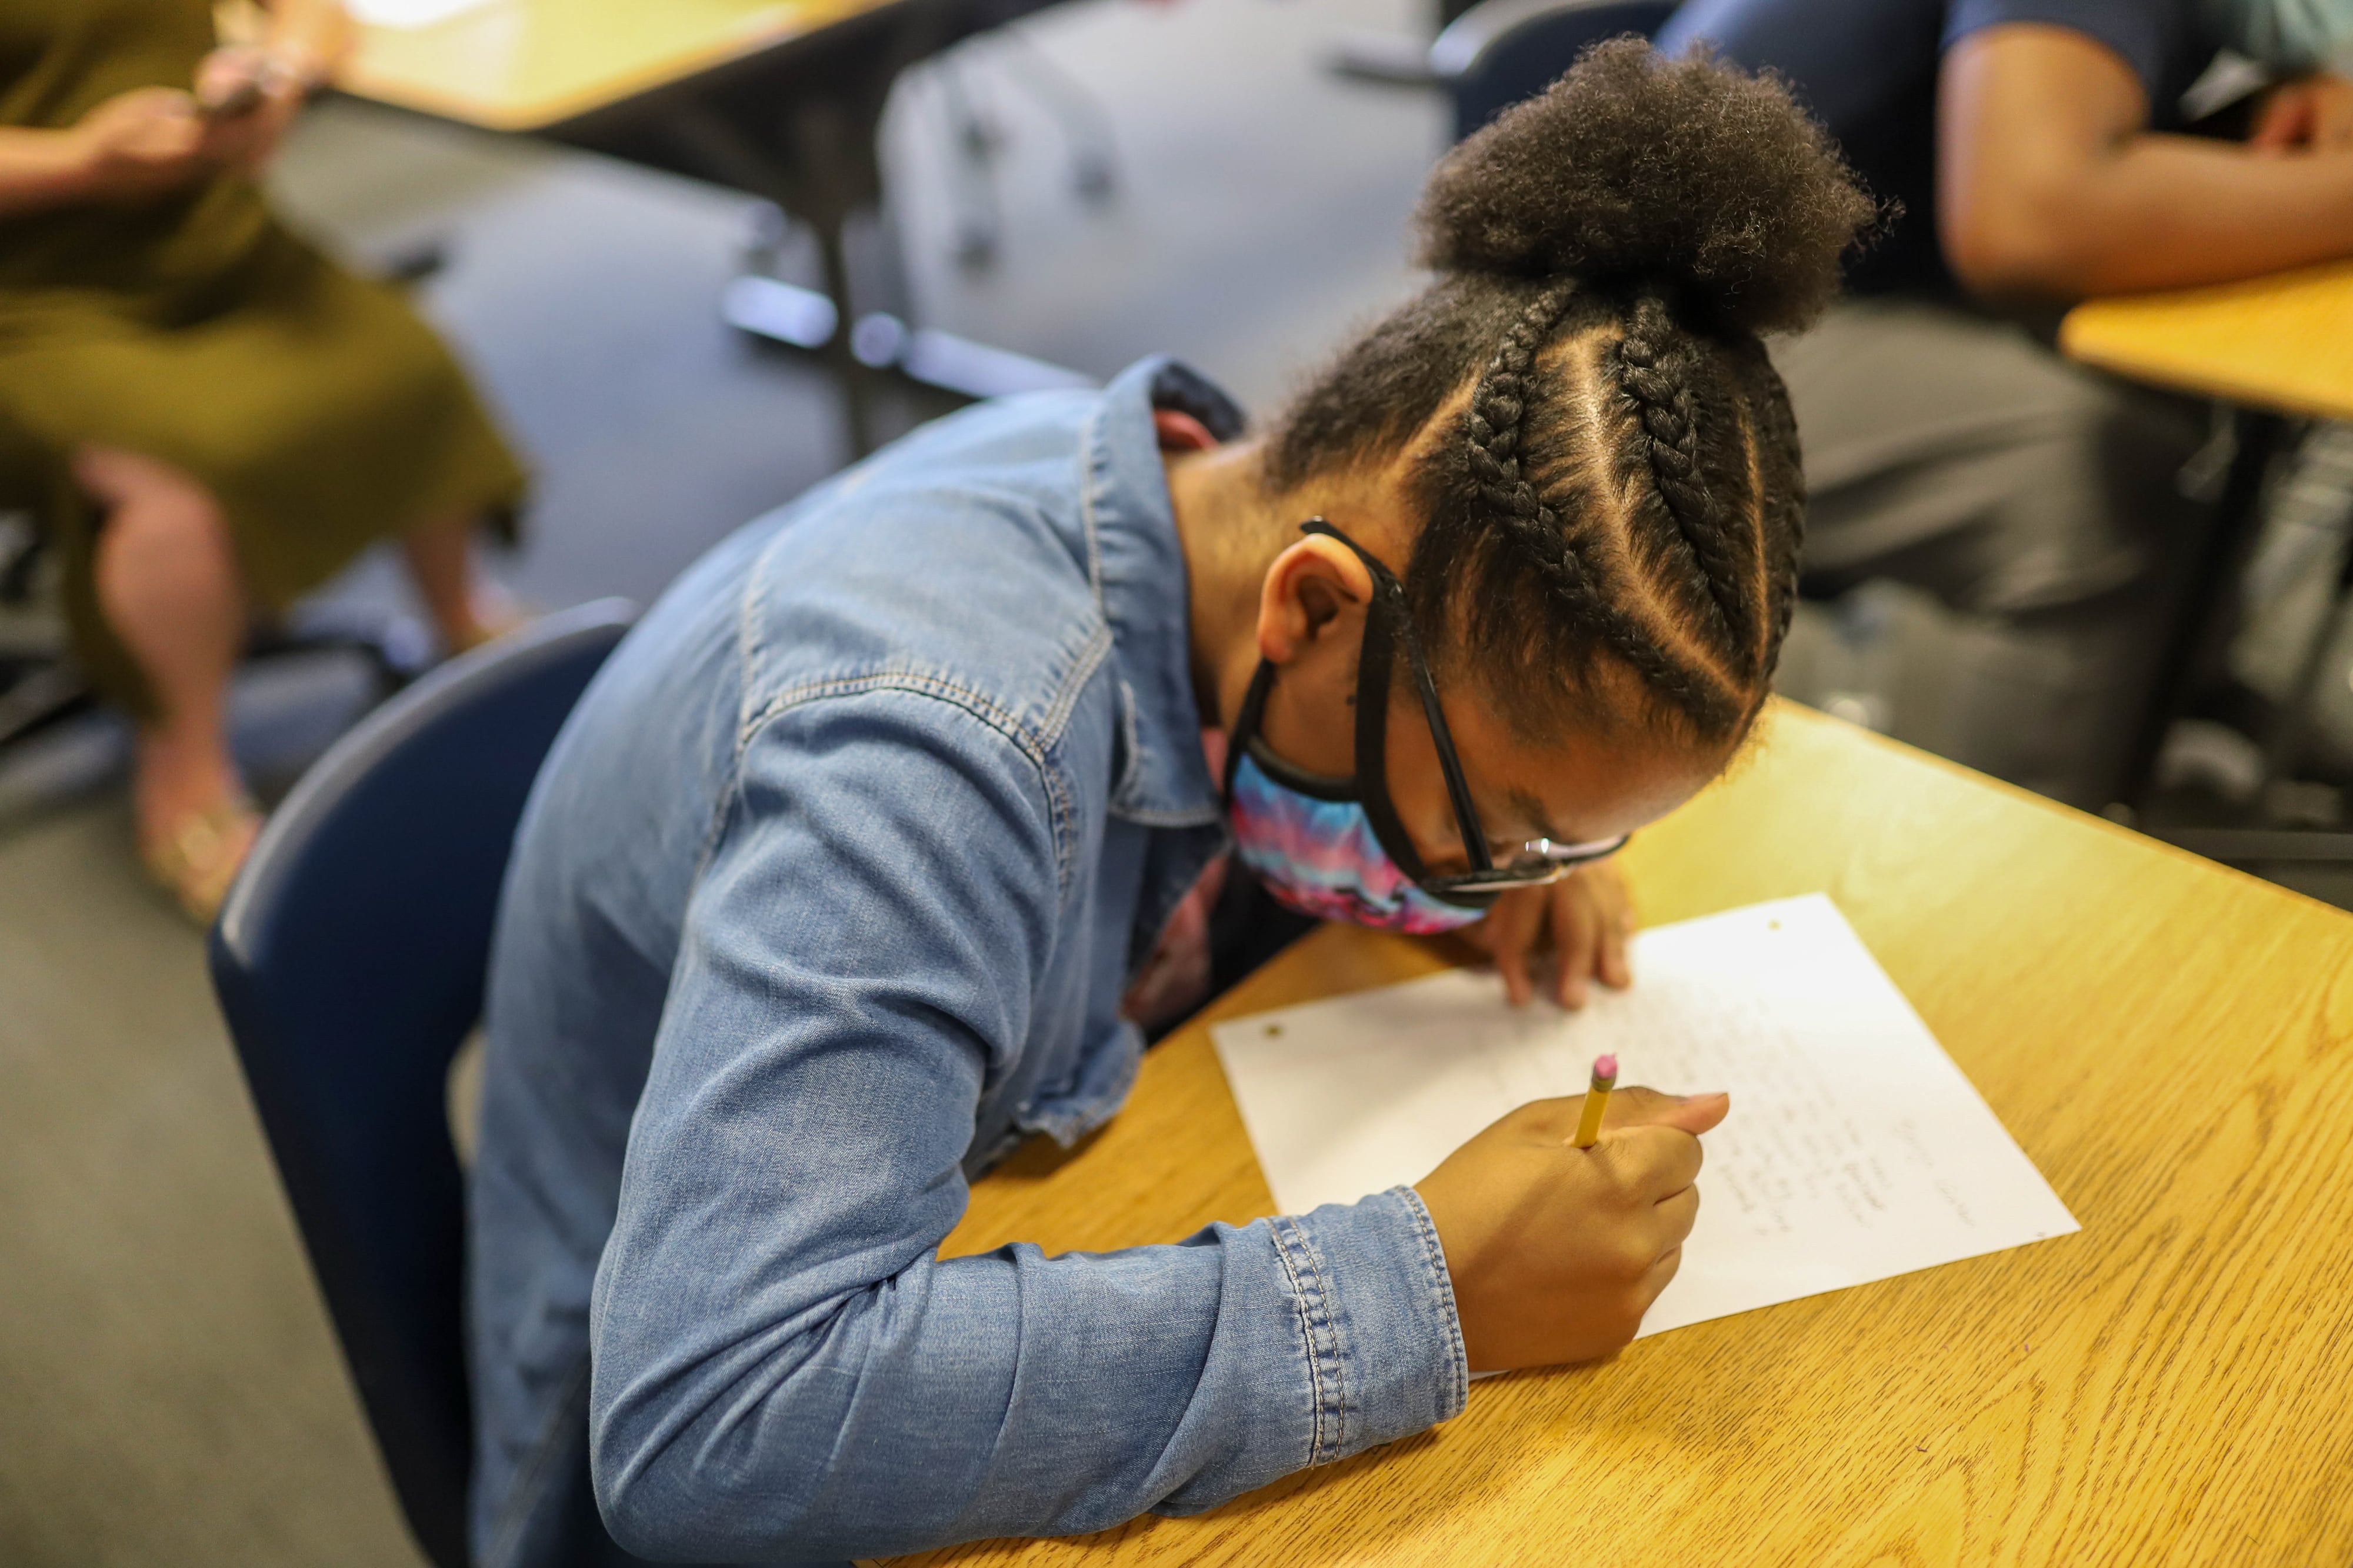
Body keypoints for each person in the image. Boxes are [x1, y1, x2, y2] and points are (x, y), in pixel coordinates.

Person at [469, 45, 1873, 1568]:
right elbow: (716, 1424)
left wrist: (1499, 842)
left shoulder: (1202, 493)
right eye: (1505, 819)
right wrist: (1428, 1292)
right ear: (1315, 612)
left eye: (1572, 840)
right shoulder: (931, 761)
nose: (1493, 881)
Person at [1654, 0, 2353, 809]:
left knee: (2168, 392)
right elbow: (2031, 219)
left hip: (1792, 290)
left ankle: (2164, 719)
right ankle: (2025, 885)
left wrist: (2288, 101)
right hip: (1631, 340)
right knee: (2092, 468)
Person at [0, 0, 526, 919]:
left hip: (211, 241)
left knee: (397, 364)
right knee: (174, 480)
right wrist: (85, 164)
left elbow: (313, 14)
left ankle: (461, 618)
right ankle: (185, 780)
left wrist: (277, 75)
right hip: (30, 295)